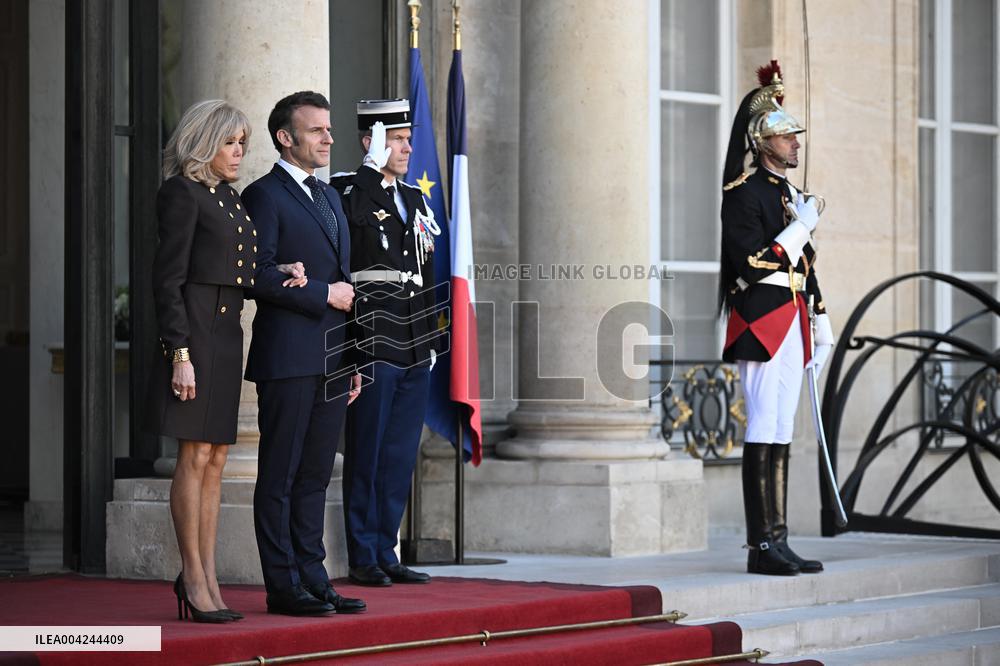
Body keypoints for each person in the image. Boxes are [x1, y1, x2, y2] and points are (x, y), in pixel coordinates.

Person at [242, 90, 366, 616]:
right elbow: (255, 275)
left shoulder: (331, 196)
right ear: (285, 138)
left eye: (329, 129)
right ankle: (282, 584)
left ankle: (315, 577)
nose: (329, 138)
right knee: (280, 473)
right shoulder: (263, 195)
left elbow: (345, 281)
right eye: (316, 130)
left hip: (334, 357)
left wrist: (354, 358)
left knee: (316, 473)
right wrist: (320, 292)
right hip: (288, 356)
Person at [718, 61, 834, 576]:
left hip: (792, 316)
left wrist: (822, 315)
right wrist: (798, 229)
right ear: (763, 141)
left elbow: (804, 266)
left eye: (795, 136)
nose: (795, 144)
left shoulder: (787, 195)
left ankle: (779, 539)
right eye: (787, 137)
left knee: (783, 428)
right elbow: (751, 261)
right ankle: (759, 547)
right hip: (761, 318)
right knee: (763, 424)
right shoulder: (744, 192)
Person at [149, 99, 258, 623]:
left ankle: (209, 575)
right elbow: (166, 280)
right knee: (193, 455)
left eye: (242, 143)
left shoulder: (230, 200)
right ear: (203, 141)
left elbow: (241, 270)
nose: (238, 152)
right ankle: (192, 576)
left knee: (216, 457)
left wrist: (287, 272)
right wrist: (179, 354)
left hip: (226, 334)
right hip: (193, 333)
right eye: (229, 142)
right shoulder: (181, 193)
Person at [329, 99, 441, 586]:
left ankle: (386, 548)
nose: (406, 147)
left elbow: (426, 271)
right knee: (368, 449)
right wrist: (371, 170)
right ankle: (362, 554)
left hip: (415, 341)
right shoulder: (349, 190)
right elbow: (346, 238)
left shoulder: (415, 200)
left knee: (398, 453)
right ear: (370, 141)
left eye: (408, 138)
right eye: (396, 138)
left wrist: (435, 337)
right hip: (372, 339)